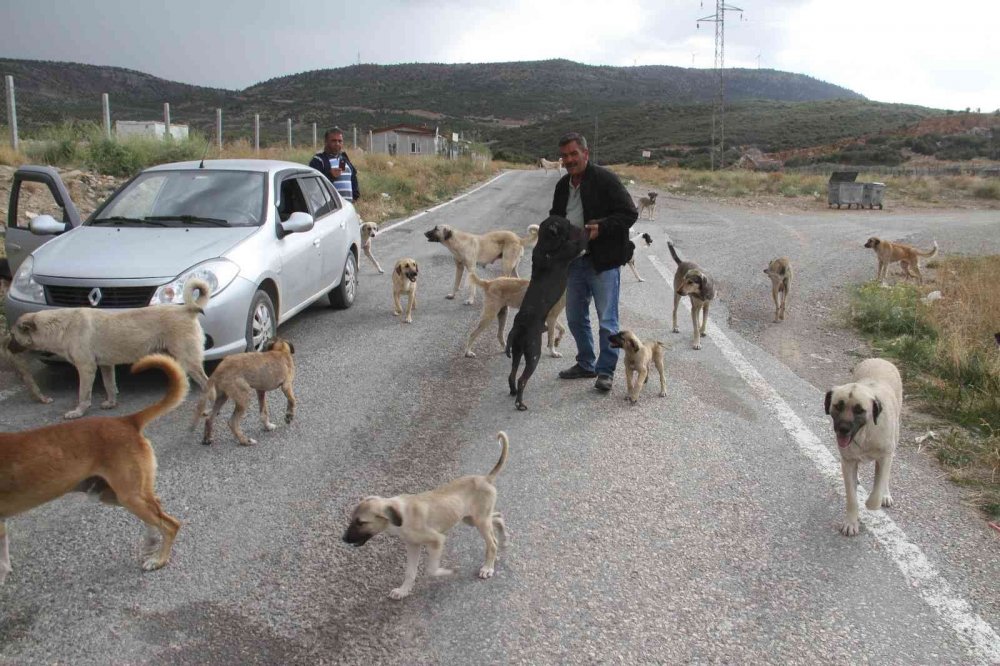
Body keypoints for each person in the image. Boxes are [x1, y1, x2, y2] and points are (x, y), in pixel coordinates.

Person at [549, 132, 638, 392]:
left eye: (573, 154)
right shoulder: (562, 185)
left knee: (607, 320)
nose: (569, 160)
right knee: (575, 317)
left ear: (585, 154)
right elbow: (556, 217)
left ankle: (606, 371)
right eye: (564, 155)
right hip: (574, 261)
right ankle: (586, 363)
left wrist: (603, 227)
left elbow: (629, 213)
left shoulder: (605, 179)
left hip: (604, 261)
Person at [309, 127, 360, 202]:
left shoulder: (344, 159)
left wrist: (355, 197)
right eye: (333, 141)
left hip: (347, 206)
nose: (337, 143)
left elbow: (353, 178)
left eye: (340, 141)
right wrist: (330, 176)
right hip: (329, 207)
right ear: (326, 142)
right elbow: (313, 186)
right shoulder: (318, 160)